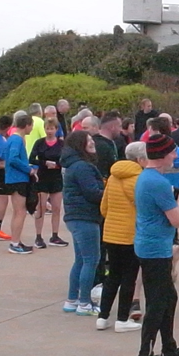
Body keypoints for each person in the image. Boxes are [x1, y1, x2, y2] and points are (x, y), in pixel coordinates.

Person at [132, 133, 179, 356]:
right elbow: (177, 220)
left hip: (154, 247)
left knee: (169, 298)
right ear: (161, 155)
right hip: (153, 250)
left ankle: (169, 348)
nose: (175, 156)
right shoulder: (156, 183)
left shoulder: (150, 177)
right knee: (157, 303)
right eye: (172, 152)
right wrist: (178, 205)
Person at [96, 141, 147, 333]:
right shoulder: (139, 179)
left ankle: (102, 317)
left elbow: (104, 208)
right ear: (140, 159)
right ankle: (122, 318)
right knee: (129, 278)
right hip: (131, 235)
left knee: (113, 277)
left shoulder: (113, 176)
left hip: (111, 233)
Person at [60, 131, 104, 316]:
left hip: (75, 218)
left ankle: (72, 300)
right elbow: (92, 193)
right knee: (91, 260)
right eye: (89, 140)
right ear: (80, 144)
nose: (92, 142)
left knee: (80, 260)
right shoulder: (82, 167)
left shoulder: (74, 165)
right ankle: (84, 302)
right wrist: (109, 194)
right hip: (85, 218)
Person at [28, 118, 68, 249]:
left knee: (56, 207)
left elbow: (66, 159)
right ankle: (38, 236)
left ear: (56, 130)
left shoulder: (62, 144)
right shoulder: (39, 143)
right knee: (41, 207)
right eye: (47, 128)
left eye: (52, 128)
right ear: (44, 129)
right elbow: (32, 158)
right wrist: (45, 163)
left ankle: (55, 235)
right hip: (43, 177)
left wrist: (57, 165)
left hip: (56, 177)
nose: (50, 131)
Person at [3, 112, 39, 253]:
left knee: (19, 212)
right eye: (31, 126)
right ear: (27, 125)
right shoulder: (17, 140)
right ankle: (15, 243)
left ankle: (16, 241)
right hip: (18, 178)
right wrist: (28, 169)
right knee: (20, 212)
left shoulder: (13, 139)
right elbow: (12, 158)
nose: (31, 129)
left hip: (15, 178)